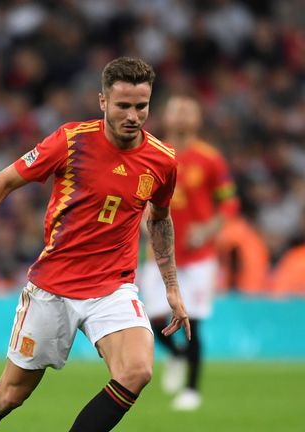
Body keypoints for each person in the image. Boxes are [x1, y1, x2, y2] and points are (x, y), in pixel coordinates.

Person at [0, 57, 191, 432]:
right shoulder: (71, 141)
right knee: (9, 396)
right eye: (123, 106)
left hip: (112, 288)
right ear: (103, 102)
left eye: (140, 106)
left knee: (137, 371)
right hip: (53, 288)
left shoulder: (163, 160)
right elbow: (3, 182)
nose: (132, 115)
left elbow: (159, 221)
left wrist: (172, 288)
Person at [137, 94, 238, 411]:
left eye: (187, 110)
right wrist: (143, 226)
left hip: (198, 258)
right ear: (165, 117)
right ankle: (178, 356)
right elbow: (138, 199)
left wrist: (208, 230)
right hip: (160, 255)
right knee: (152, 321)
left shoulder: (210, 159)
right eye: (176, 110)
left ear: (197, 119)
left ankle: (192, 390)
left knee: (192, 319)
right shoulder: (150, 153)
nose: (181, 116)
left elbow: (229, 203)